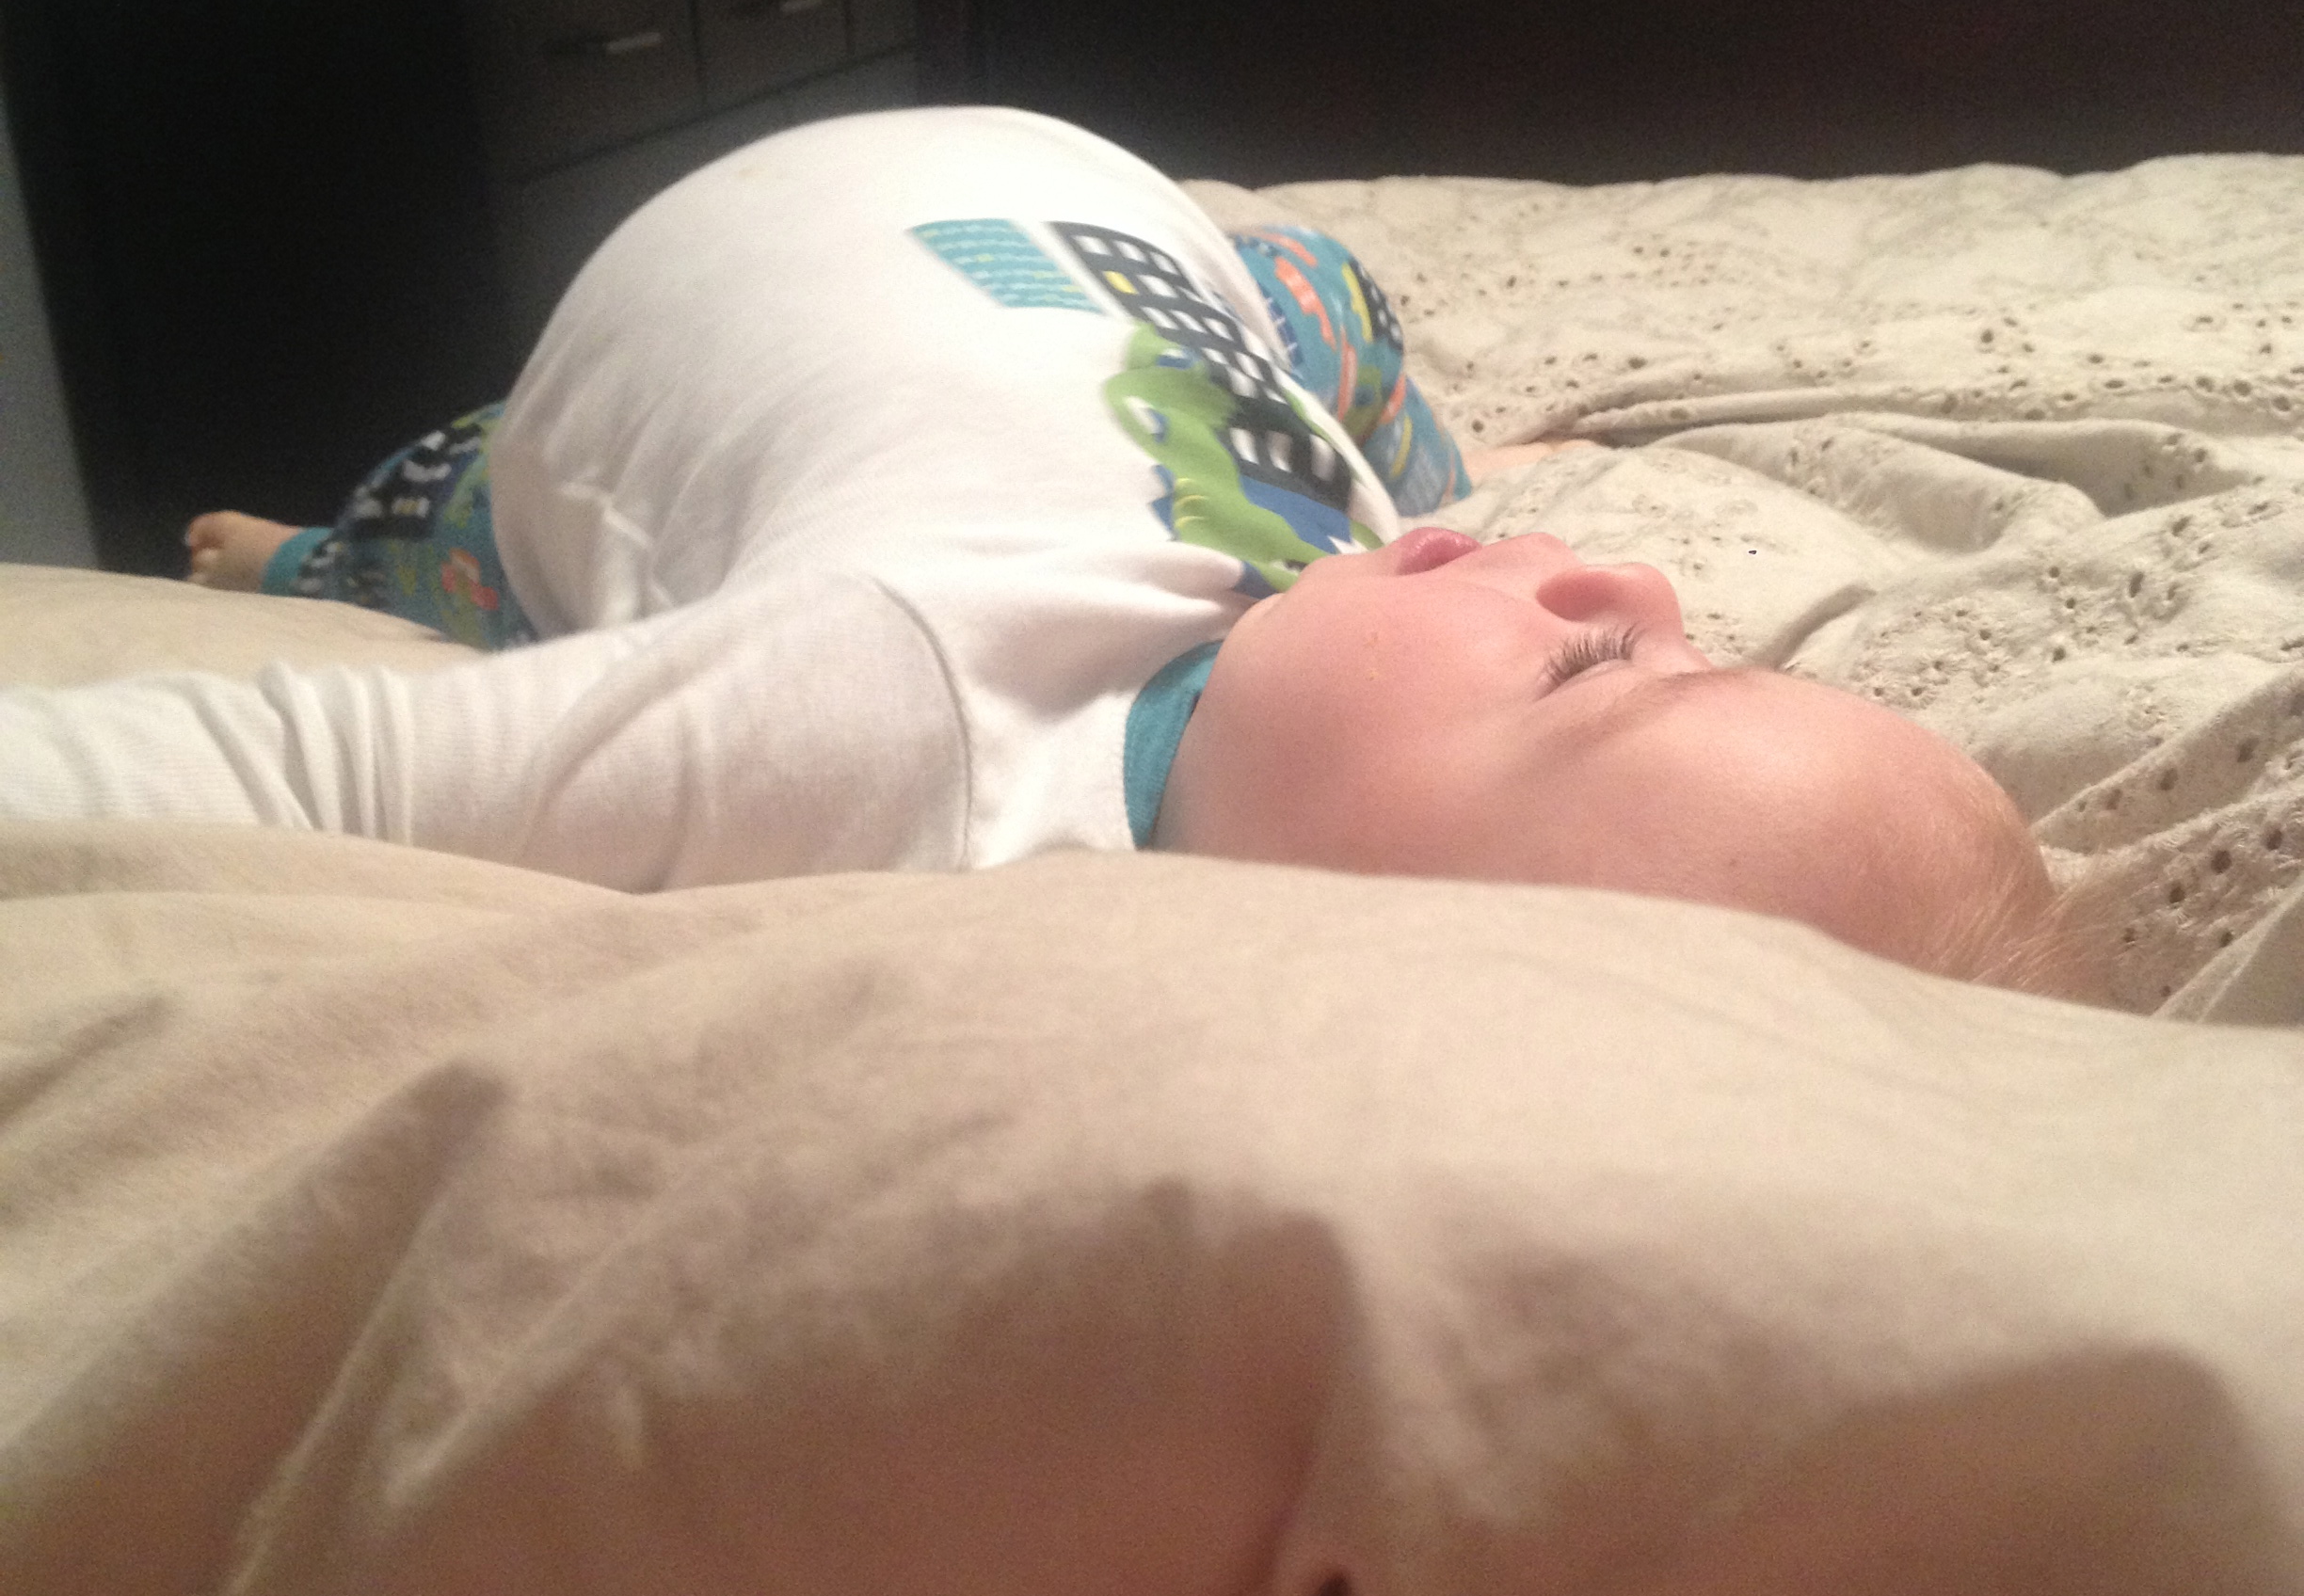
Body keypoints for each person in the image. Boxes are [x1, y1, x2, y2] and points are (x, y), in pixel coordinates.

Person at [8, 107, 2069, 987]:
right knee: (1325, 304)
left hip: (673, 322)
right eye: (1697, 636)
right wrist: (1430, 504)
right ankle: (1410, 420)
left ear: (1359, 952)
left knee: (464, 534)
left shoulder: (883, 700)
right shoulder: (1345, 648)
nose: (1637, 583)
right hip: (1114, 230)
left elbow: (308, 761)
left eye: (1593, 674)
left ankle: (307, 549)